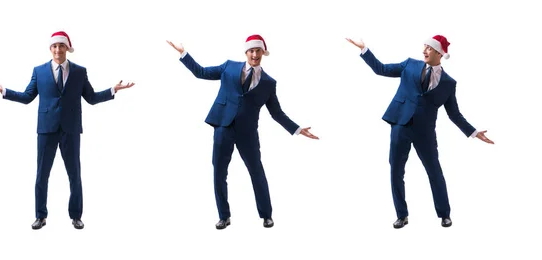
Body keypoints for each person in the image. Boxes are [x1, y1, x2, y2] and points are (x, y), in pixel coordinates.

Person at [0, 31, 134, 230]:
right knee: (41, 175)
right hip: (46, 129)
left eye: (61, 46)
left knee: (75, 175)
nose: (57, 50)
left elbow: (91, 98)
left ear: (67, 49)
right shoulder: (39, 71)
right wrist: (4, 91)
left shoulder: (80, 72)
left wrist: (113, 90)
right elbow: (28, 97)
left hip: (70, 130)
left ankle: (76, 216)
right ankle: (40, 216)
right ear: (50, 49)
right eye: (54, 46)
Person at [167, 34, 319, 230]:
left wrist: (297, 129)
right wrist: (184, 53)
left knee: (257, 171)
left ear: (263, 53)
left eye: (258, 51)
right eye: (251, 51)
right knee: (219, 172)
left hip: (248, 133)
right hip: (223, 126)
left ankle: (266, 215)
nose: (255, 54)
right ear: (246, 52)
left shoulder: (269, 83)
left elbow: (276, 113)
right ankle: (224, 216)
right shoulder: (229, 67)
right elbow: (201, 72)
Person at [346, 35, 494, 228]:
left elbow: (454, 114)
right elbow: (381, 69)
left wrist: (473, 132)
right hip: (400, 124)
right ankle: (402, 215)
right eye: (424, 47)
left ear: (439, 53)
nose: (424, 51)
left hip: (425, 132)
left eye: (429, 48)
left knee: (434, 172)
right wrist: (364, 49)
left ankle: (444, 214)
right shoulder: (409, 65)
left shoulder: (449, 83)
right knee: (396, 171)